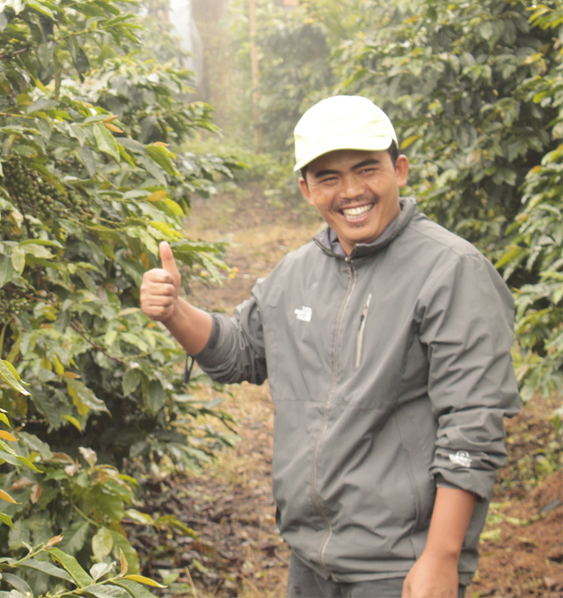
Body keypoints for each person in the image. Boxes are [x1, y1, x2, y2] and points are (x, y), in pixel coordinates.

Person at [140, 96, 520, 598]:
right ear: (306, 189)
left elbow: (472, 427)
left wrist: (441, 557)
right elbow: (239, 351)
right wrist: (174, 311)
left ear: (399, 170)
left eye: (367, 169)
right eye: (328, 177)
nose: (352, 191)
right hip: (311, 560)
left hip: (399, 567)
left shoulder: (451, 270)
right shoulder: (299, 271)